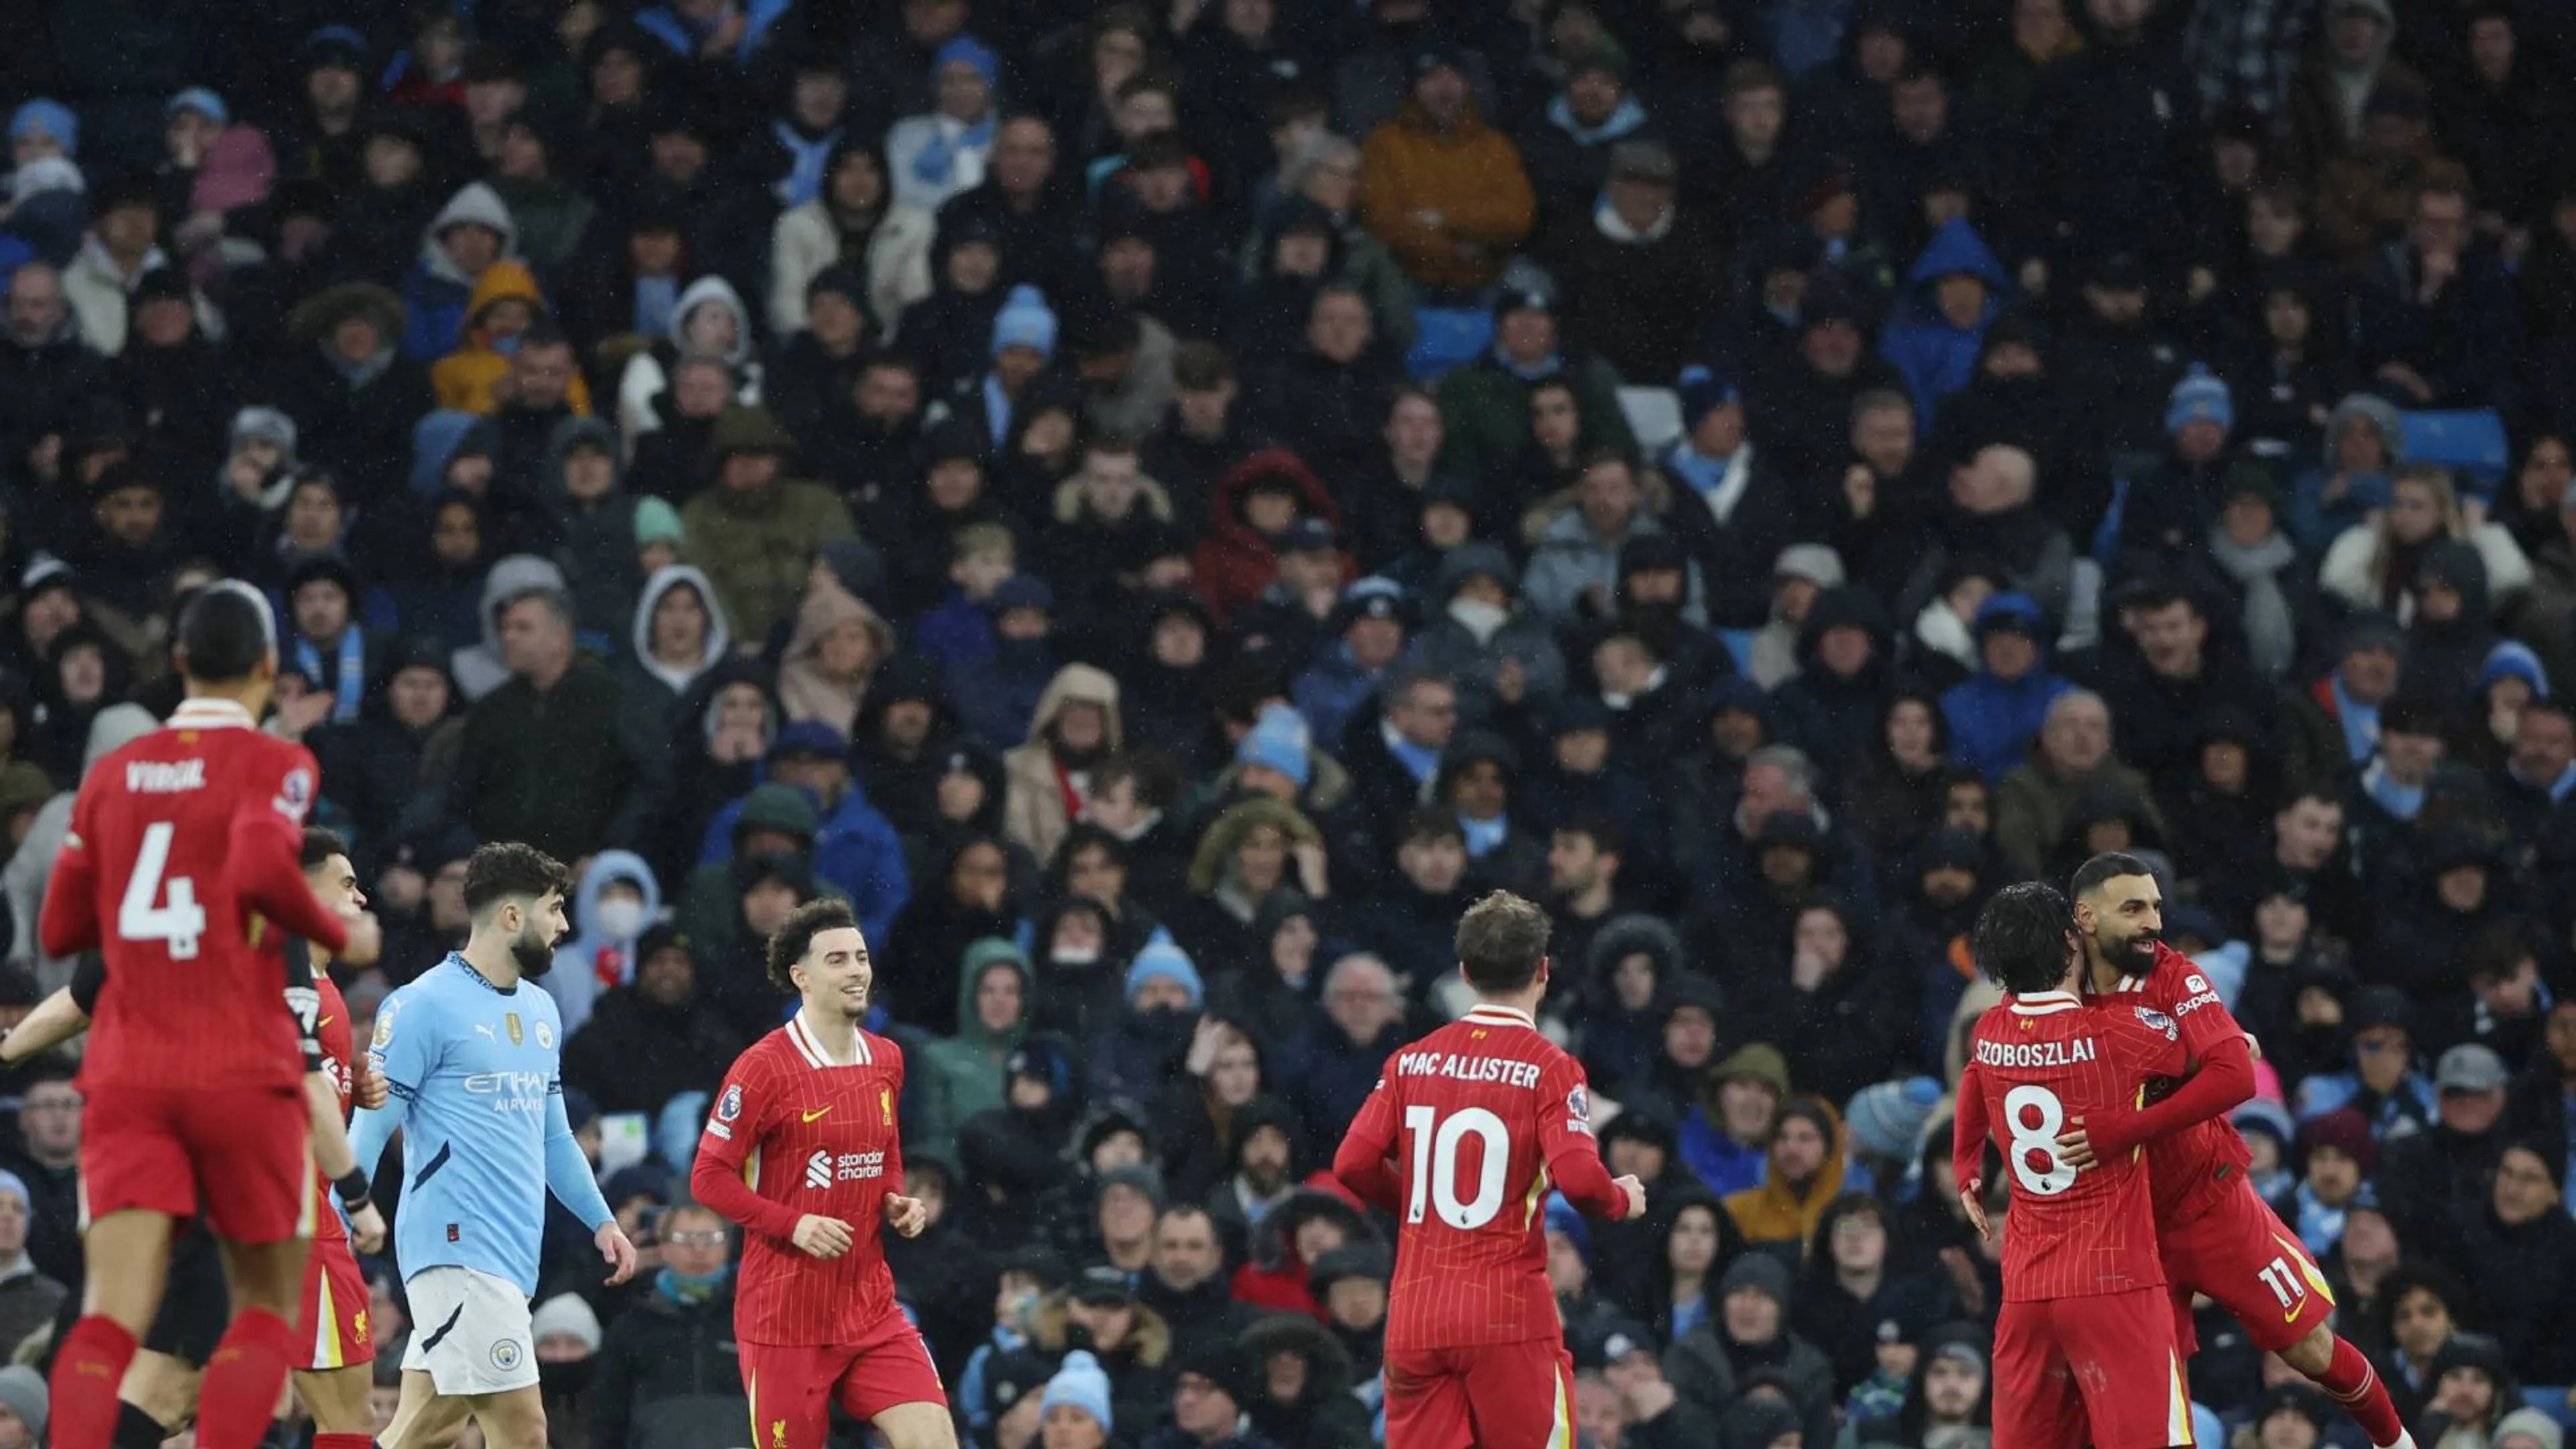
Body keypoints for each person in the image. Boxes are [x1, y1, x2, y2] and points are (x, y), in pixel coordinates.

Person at [37, 580, 383, 1449]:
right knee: (259, 1328)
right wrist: (340, 931)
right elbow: (268, 878)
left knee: (120, 1330)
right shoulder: (277, 768)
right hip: (229, 1084)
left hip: (125, 1082)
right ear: (269, 668)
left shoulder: (114, 773)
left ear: (179, 662)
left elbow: (61, 930)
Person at [7, 825, 390, 1449]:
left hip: (165, 1191)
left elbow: (84, 998)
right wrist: (355, 1193)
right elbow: (300, 1084)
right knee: (338, 1418)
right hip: (272, 1211)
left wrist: (6, 1053)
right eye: (347, 883)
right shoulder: (277, 952)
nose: (361, 898)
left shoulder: (164, 925)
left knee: (174, 1394)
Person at [2065, 852, 2414, 1449]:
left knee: (2308, 1347)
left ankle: (2396, 1442)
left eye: (2155, 906)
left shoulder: (2175, 975)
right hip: (2123, 1229)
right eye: (2133, 908)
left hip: (2209, 1202)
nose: (2152, 922)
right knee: (2150, 1404)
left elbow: (2235, 1078)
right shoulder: (2053, 988)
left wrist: (2127, 1124)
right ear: (2086, 918)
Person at [347, 843, 640, 1449]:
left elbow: (554, 1135)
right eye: (555, 909)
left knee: (432, 1427)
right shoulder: (421, 1005)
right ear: (512, 917)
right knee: (524, 1430)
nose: (565, 925)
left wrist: (602, 1220)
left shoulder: (541, 1009)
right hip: (455, 1245)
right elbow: (372, 1127)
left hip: (511, 1253)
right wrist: (340, 1210)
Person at [1332, 891, 1646, 1448]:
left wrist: (1417, 1203)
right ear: (1543, 971)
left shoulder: (1410, 1060)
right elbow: (1579, 1180)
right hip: (1505, 1313)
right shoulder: (1551, 1067)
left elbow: (1352, 1164)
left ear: (1465, 972)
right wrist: (1621, 1198)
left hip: (1417, 1313)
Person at [688, 898, 953, 1449]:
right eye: (837, 960)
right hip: (785, 1318)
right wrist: (795, 1225)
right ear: (800, 977)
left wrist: (895, 1201)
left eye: (860, 956)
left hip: (871, 1309)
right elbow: (708, 1177)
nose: (856, 969)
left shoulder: (887, 1059)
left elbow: (885, 1150)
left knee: (935, 1441)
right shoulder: (763, 1068)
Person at [1947, 880, 2192, 1449]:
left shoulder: (1990, 1032)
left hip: (2027, 1291)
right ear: (2070, 939)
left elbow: (1972, 1084)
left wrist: (1966, 1165)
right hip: (2113, 1280)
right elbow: (2221, 1060)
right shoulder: (2120, 1034)